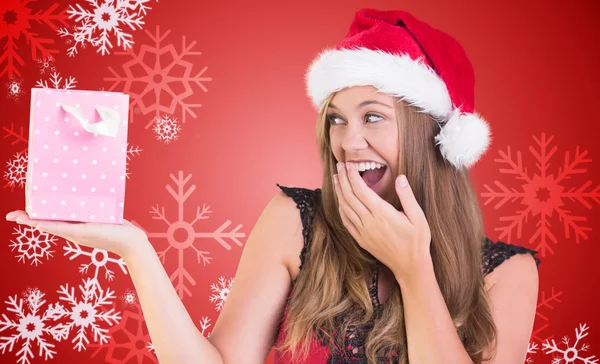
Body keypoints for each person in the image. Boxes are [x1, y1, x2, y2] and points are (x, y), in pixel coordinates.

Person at [5, 8, 541, 364]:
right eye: (336, 119)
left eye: (373, 117)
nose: (349, 142)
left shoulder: (508, 273)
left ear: (432, 136)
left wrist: (412, 268)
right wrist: (136, 251)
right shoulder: (294, 222)